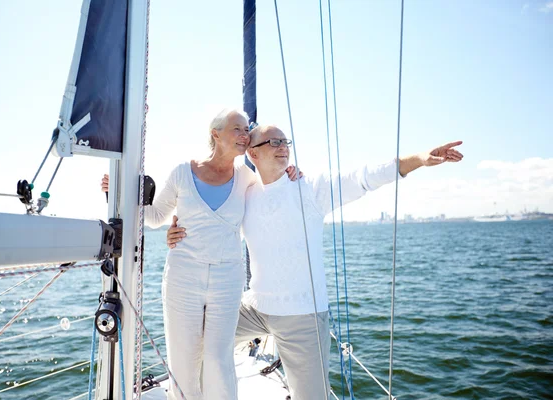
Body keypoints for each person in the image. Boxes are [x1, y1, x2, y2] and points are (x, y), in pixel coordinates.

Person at [167, 124, 463, 400]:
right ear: (253, 153)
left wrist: (420, 159)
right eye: (274, 142)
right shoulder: (244, 193)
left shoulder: (310, 189)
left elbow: (365, 177)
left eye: (286, 142)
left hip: (302, 316)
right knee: (199, 340)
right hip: (255, 307)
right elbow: (211, 217)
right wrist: (175, 230)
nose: (284, 147)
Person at [101, 111, 301, 400]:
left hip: (227, 280)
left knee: (218, 362)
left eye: (247, 129)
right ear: (216, 134)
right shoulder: (183, 172)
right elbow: (156, 216)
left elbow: (273, 194)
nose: (245, 134)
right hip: (183, 278)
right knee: (183, 361)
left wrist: (291, 173)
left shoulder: (247, 177)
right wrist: (119, 194)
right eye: (237, 129)